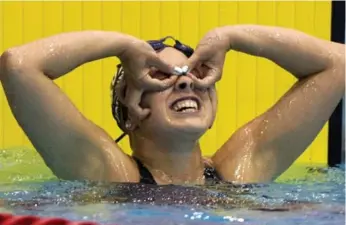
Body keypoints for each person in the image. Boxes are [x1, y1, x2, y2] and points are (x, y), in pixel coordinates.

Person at [0, 25, 344, 185]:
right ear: (130, 111)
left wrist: (233, 37)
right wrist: (120, 45)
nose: (185, 81)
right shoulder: (110, 176)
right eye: (160, 76)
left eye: (195, 74)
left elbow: (338, 63)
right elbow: (19, 65)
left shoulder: (239, 171)